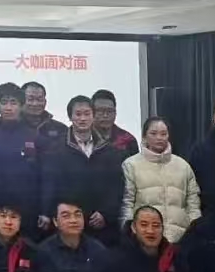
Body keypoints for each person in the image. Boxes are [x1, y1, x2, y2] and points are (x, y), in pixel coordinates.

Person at [41, 96, 124, 245]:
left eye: (87, 114)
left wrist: (106, 213)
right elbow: (51, 184)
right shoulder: (56, 149)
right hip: (69, 221)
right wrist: (49, 212)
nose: (83, 119)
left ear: (93, 116)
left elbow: (116, 186)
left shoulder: (109, 150)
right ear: (70, 117)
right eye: (78, 114)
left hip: (100, 223)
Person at [0, 83, 44, 238]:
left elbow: (43, 177)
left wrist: (43, 210)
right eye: (4, 102)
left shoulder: (34, 137)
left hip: (27, 213)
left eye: (13, 102)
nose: (8, 107)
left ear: (21, 105)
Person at [120, 117, 201, 242]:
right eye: (153, 133)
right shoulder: (131, 165)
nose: (159, 138)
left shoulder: (183, 166)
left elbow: (193, 205)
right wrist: (129, 232)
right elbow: (127, 203)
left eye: (163, 134)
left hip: (180, 239)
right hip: (144, 239)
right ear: (144, 137)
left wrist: (195, 232)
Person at [92, 89, 139, 161]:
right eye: (100, 111)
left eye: (109, 111)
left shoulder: (128, 140)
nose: (105, 115)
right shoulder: (82, 139)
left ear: (115, 113)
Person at [21, 82, 68, 148]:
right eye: (30, 99)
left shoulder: (61, 129)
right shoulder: (11, 126)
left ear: (45, 102)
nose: (35, 104)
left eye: (40, 99)